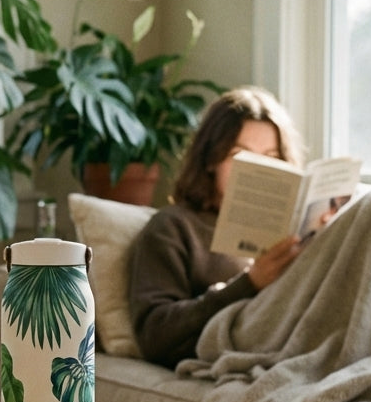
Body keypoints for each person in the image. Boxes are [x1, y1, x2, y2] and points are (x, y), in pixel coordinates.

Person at [128, 86, 308, 367]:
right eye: (240, 155)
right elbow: (155, 335)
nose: (258, 169)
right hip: (255, 336)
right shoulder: (174, 226)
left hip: (306, 326)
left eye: (271, 158)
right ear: (212, 159)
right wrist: (249, 283)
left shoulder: (294, 228)